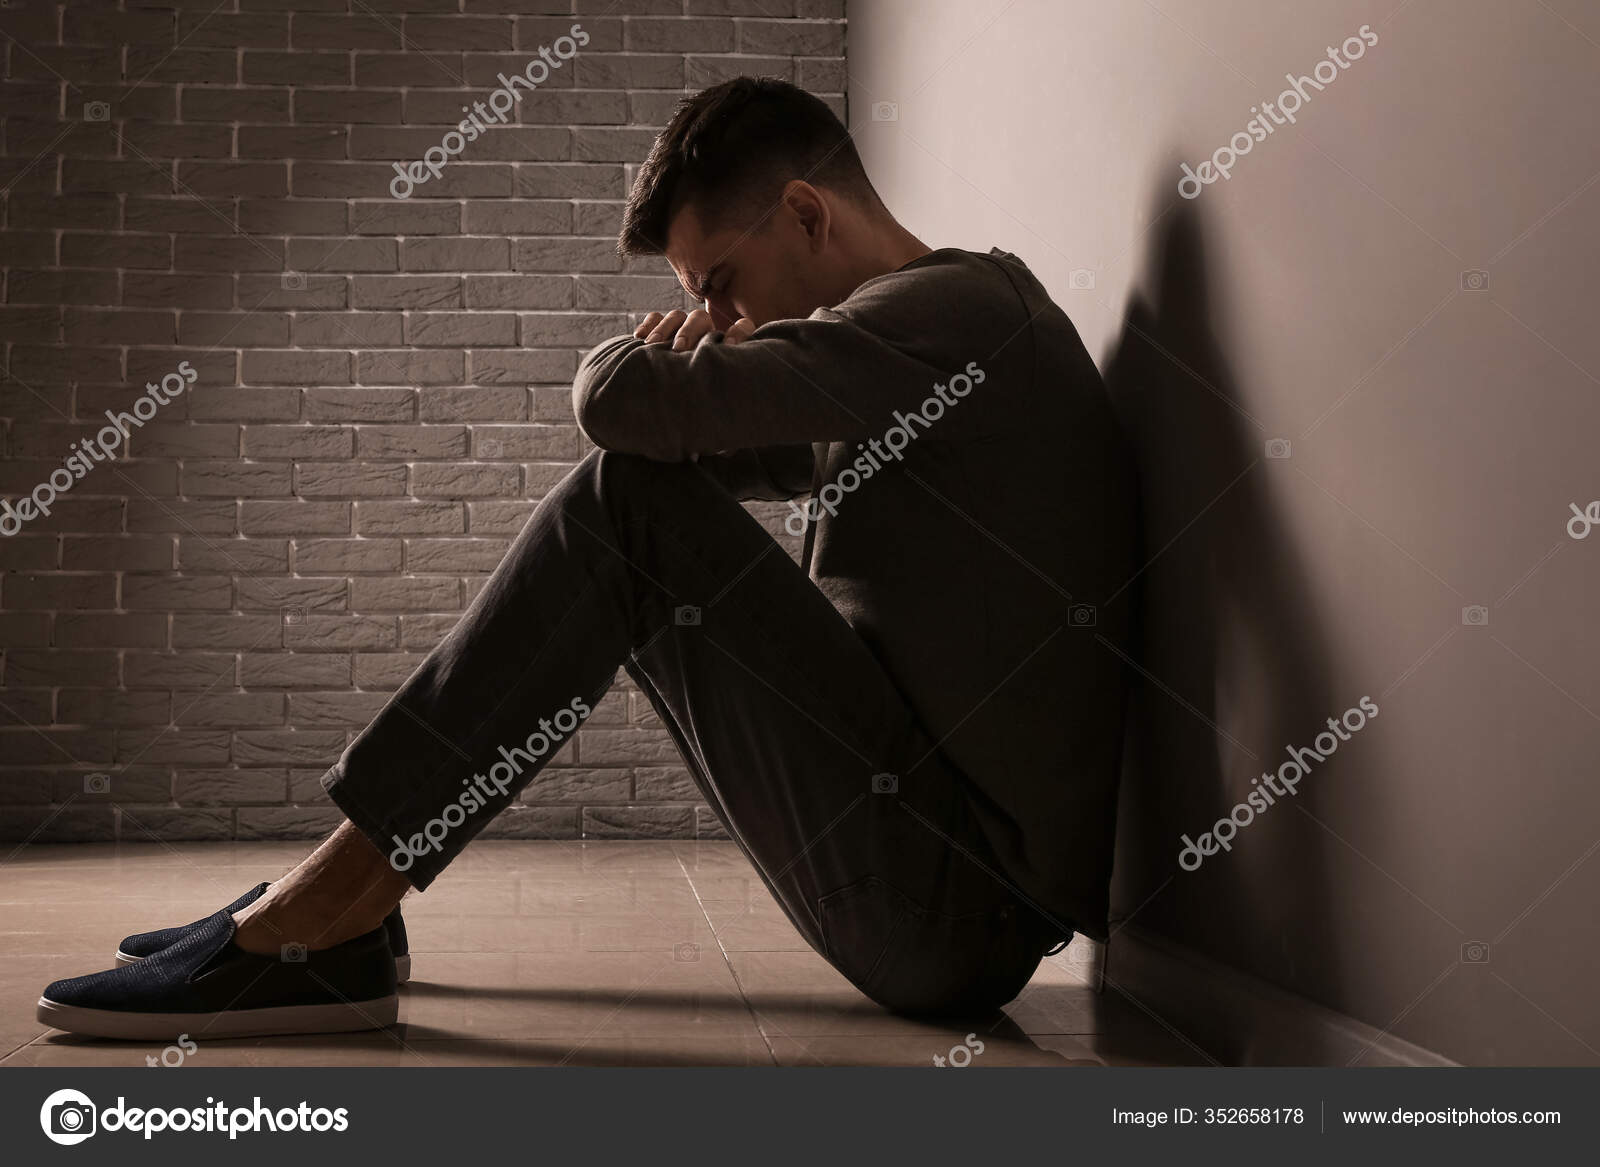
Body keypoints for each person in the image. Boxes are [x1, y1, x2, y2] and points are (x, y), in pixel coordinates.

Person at [36, 77, 1137, 1040]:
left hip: (954, 910)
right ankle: (346, 893)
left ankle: (330, 912)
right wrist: (683, 415)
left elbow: (614, 406)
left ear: (804, 214)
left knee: (625, 503)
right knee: (635, 508)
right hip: (937, 884)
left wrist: (646, 373)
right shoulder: (912, 346)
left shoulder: (953, 313)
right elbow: (714, 460)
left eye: (716, 282)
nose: (713, 317)